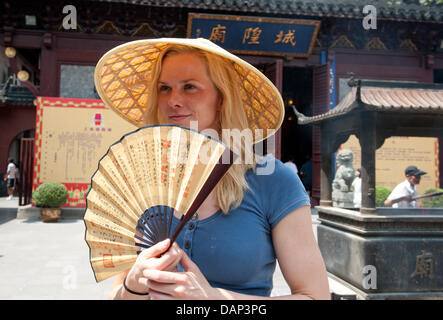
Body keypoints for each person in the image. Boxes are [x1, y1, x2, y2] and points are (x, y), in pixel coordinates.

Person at [95, 38, 330, 300]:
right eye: (164, 88)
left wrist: (214, 299)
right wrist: (133, 283)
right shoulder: (141, 180)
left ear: (221, 99)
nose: (173, 99)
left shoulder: (273, 180)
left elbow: (314, 296)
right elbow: (117, 295)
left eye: (190, 87)